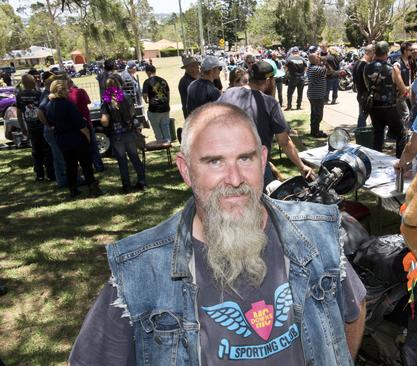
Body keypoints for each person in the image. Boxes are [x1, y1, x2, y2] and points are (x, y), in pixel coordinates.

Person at [69, 102, 366, 366]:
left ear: (263, 159)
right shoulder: (140, 270)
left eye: (245, 159)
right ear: (185, 170)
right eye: (214, 162)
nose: (235, 179)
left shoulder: (315, 234)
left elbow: (354, 310)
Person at [219, 60, 314, 185]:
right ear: (269, 80)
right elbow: (284, 142)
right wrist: (302, 166)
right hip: (256, 168)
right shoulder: (270, 103)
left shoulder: (229, 94)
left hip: (226, 164)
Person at [45, 80, 103, 198]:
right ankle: (92, 187)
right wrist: (87, 136)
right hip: (76, 138)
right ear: (61, 91)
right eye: (66, 89)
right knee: (86, 164)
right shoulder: (67, 104)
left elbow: (50, 122)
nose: (68, 91)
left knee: (70, 165)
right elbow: (80, 124)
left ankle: (73, 189)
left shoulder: (49, 105)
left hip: (62, 139)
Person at [100, 76, 146, 194]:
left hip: (117, 134)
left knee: (122, 160)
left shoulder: (106, 99)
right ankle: (142, 181)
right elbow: (132, 113)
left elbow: (104, 121)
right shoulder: (126, 96)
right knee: (135, 157)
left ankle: (127, 185)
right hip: (129, 130)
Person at [363, 41, 406, 158]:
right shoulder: (392, 69)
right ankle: (398, 162)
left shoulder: (367, 67)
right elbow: (403, 89)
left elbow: (368, 85)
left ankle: (376, 160)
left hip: (374, 107)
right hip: (389, 108)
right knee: (402, 134)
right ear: (386, 53)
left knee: (378, 135)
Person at [16, 73, 54, 182]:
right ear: (33, 82)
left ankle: (39, 175)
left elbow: (19, 114)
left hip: (30, 127)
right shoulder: (39, 93)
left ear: (23, 84)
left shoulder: (19, 96)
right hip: (42, 126)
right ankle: (50, 174)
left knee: (36, 152)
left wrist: (23, 128)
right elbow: (44, 110)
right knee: (47, 150)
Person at [67, 77, 104, 172]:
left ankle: (87, 168)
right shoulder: (81, 91)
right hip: (86, 121)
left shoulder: (66, 96)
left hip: (74, 124)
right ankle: (98, 166)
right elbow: (89, 101)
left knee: (82, 148)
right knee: (93, 145)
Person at [142, 64, 171, 143]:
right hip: (165, 107)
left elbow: (144, 94)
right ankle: (168, 142)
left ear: (148, 72)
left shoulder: (147, 82)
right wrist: (167, 103)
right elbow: (168, 92)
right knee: (165, 126)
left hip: (154, 108)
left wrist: (145, 100)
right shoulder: (163, 80)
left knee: (156, 127)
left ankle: (160, 142)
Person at [393, 42, 417, 125]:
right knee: (405, 114)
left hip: (409, 91)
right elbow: (396, 78)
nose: (413, 52)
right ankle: (405, 134)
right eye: (411, 50)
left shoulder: (411, 61)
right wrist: (404, 89)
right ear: (404, 51)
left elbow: (413, 76)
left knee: (410, 113)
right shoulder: (397, 63)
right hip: (400, 93)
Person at [306, 53, 328, 138]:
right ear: (314, 60)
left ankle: (314, 130)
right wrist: (325, 62)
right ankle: (316, 132)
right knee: (318, 115)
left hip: (314, 94)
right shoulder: (315, 69)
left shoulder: (311, 68)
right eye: (317, 57)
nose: (319, 58)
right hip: (317, 96)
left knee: (314, 114)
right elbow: (325, 70)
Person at [353, 45, 374, 128]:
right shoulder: (365, 65)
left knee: (362, 115)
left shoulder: (357, 63)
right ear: (370, 52)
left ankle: (362, 132)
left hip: (360, 93)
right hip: (365, 94)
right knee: (363, 116)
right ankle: (361, 133)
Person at [285, 47, 307, 111]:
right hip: (301, 78)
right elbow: (306, 68)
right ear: (298, 52)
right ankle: (298, 106)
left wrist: (287, 73)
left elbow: (286, 68)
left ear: (292, 52)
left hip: (293, 77)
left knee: (290, 93)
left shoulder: (289, 58)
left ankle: (289, 106)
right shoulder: (302, 59)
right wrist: (302, 73)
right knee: (300, 93)